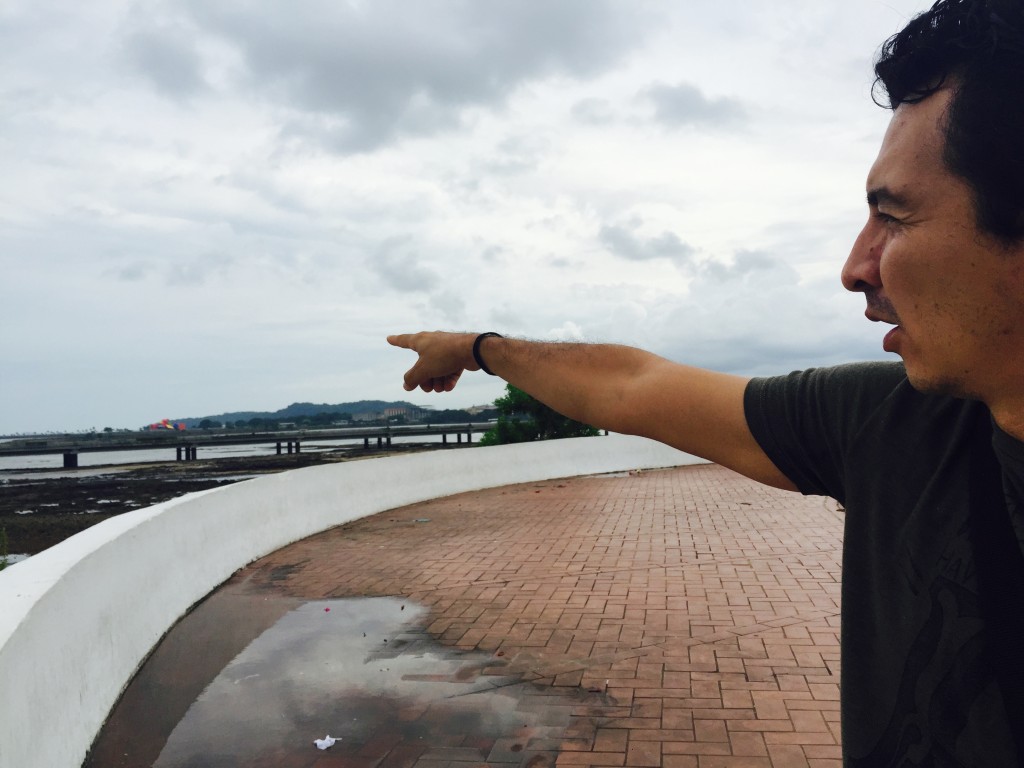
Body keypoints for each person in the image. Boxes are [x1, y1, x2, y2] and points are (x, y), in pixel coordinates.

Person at [388, 0, 1024, 764]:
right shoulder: (895, 422)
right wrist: (474, 347)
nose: (856, 267)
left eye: (894, 216)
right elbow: (632, 385)